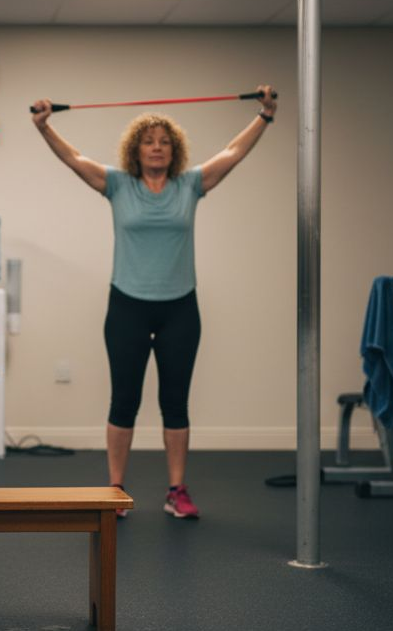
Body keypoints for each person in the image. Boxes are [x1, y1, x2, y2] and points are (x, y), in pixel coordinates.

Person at [30, 86, 277, 519]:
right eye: (149, 141)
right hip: (127, 306)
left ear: (174, 149)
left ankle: (176, 490)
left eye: (164, 141)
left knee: (175, 402)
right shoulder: (117, 184)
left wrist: (265, 116)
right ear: (136, 149)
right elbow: (74, 158)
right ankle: (115, 490)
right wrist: (44, 126)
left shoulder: (191, 184)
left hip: (179, 308)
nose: (157, 147)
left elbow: (233, 153)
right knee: (123, 400)